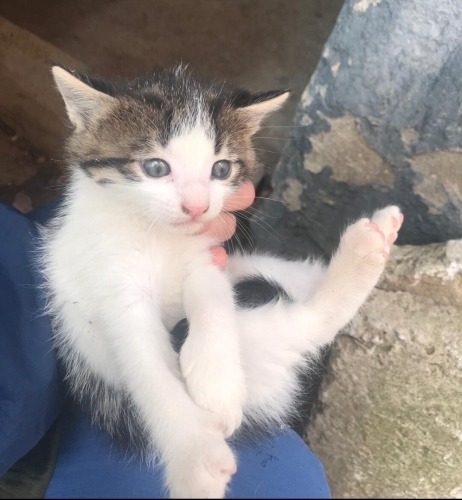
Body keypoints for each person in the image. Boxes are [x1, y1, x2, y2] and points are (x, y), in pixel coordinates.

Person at [0, 183, 331, 499]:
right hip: (28, 434)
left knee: (291, 475)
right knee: (288, 479)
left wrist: (116, 205)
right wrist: (185, 443)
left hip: (28, 291)